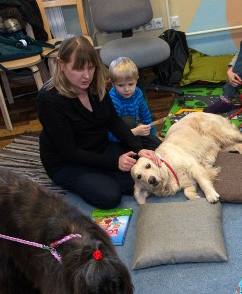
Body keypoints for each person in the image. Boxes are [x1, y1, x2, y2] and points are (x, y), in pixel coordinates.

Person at [37, 35, 160, 209]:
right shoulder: (48, 100)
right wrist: (114, 163)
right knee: (110, 196)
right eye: (78, 69)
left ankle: (100, 173)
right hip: (66, 161)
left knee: (133, 179)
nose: (87, 76)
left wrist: (138, 149)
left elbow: (114, 122)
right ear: (61, 64)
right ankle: (91, 177)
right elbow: (70, 151)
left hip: (99, 147)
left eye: (91, 67)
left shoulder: (95, 86)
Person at [107, 56, 162, 150]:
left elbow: (146, 116)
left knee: (157, 145)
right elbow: (111, 136)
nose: (127, 89)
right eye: (121, 85)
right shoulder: (112, 100)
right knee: (128, 121)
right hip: (118, 138)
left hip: (134, 131)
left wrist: (153, 135)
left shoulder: (138, 92)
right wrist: (135, 132)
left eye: (131, 84)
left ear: (137, 80)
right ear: (112, 83)